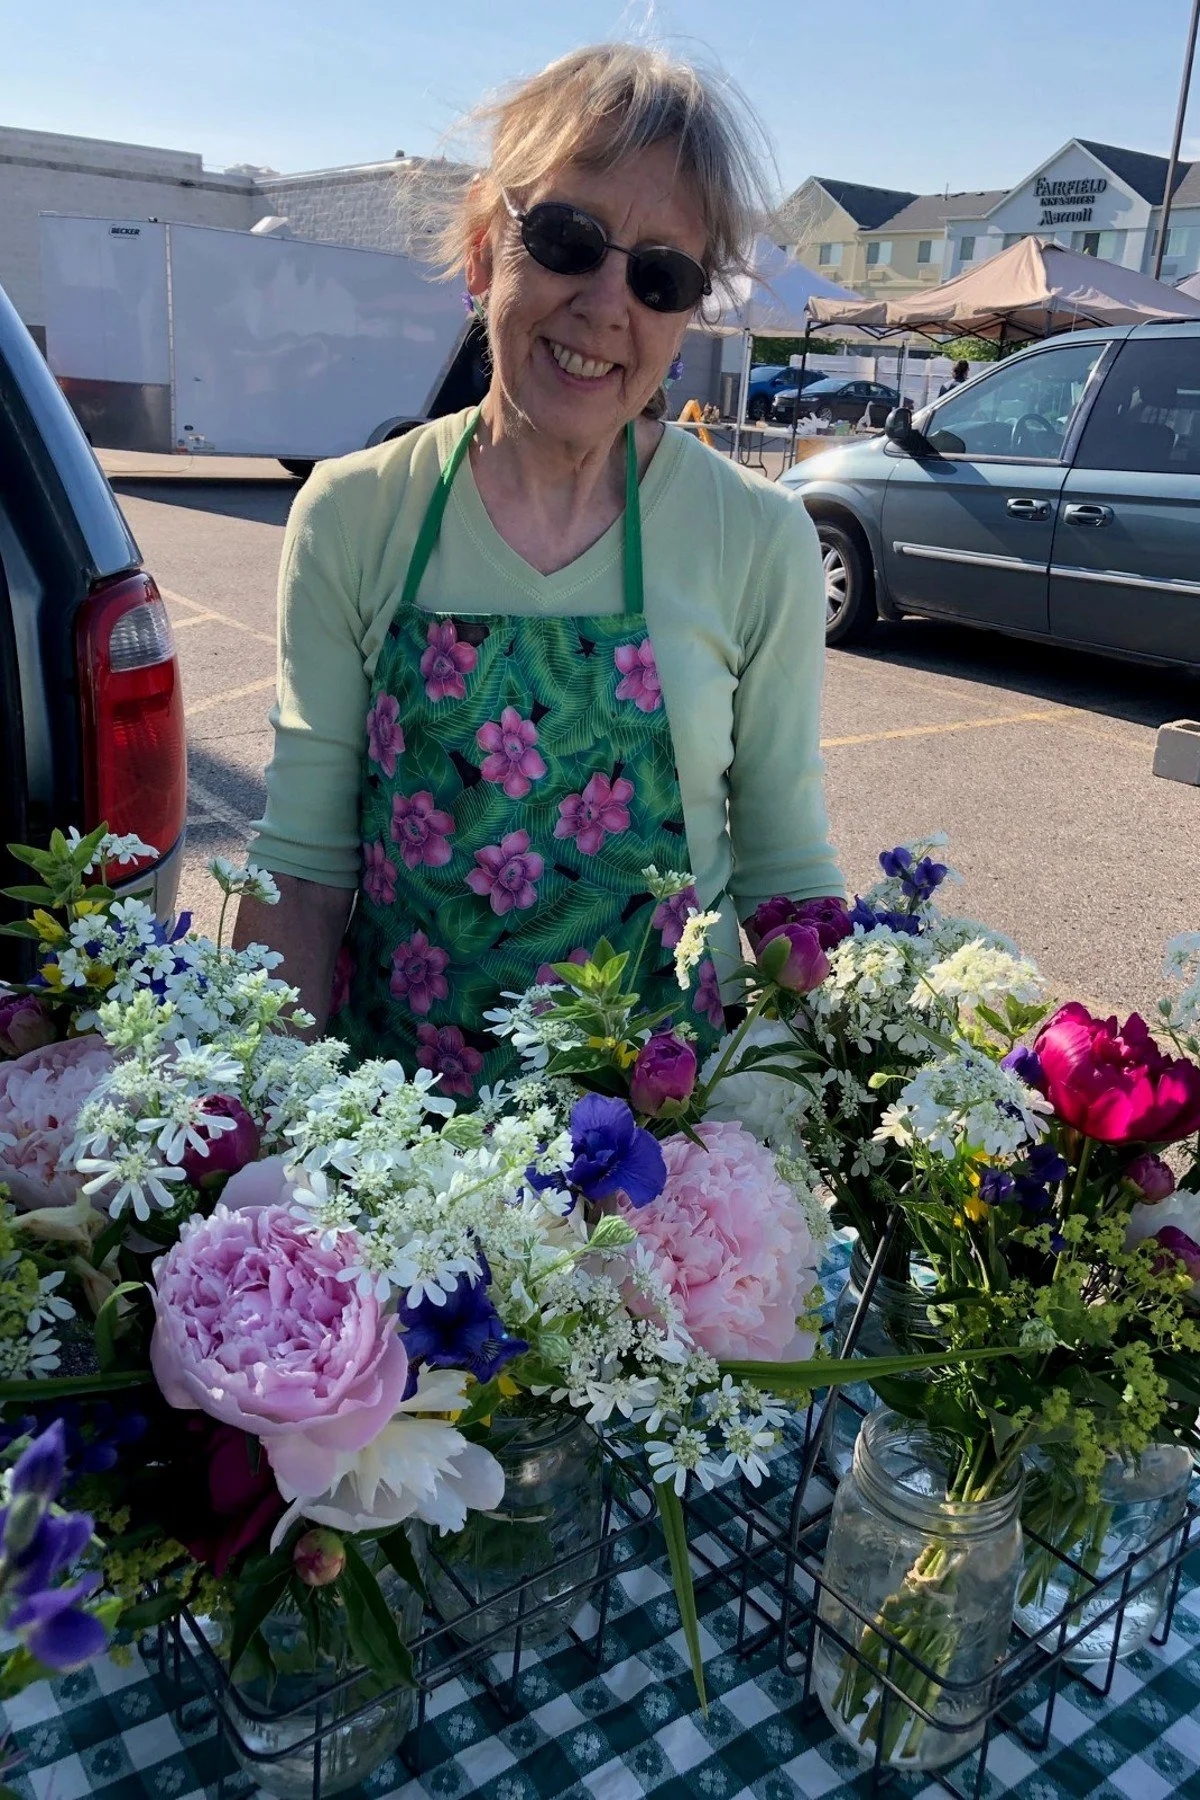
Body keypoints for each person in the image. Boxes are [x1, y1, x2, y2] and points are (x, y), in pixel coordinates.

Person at [235, 43, 843, 1099]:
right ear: (484, 252)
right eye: (569, 239)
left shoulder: (758, 538)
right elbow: (303, 869)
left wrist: (822, 1129)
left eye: (661, 275)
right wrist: (255, 1128)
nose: (608, 305)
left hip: (667, 1165)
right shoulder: (355, 514)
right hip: (397, 1153)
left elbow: (787, 878)